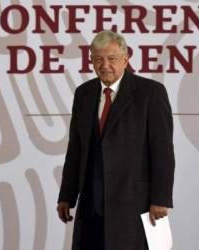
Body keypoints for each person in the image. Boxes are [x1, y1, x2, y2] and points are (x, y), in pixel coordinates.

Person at [57, 30, 175, 250]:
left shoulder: (151, 93)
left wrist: (160, 198)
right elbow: (76, 149)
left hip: (132, 204)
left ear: (125, 58)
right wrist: (66, 195)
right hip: (91, 204)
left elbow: (162, 150)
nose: (105, 65)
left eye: (111, 59)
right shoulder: (83, 93)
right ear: (91, 60)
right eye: (98, 59)